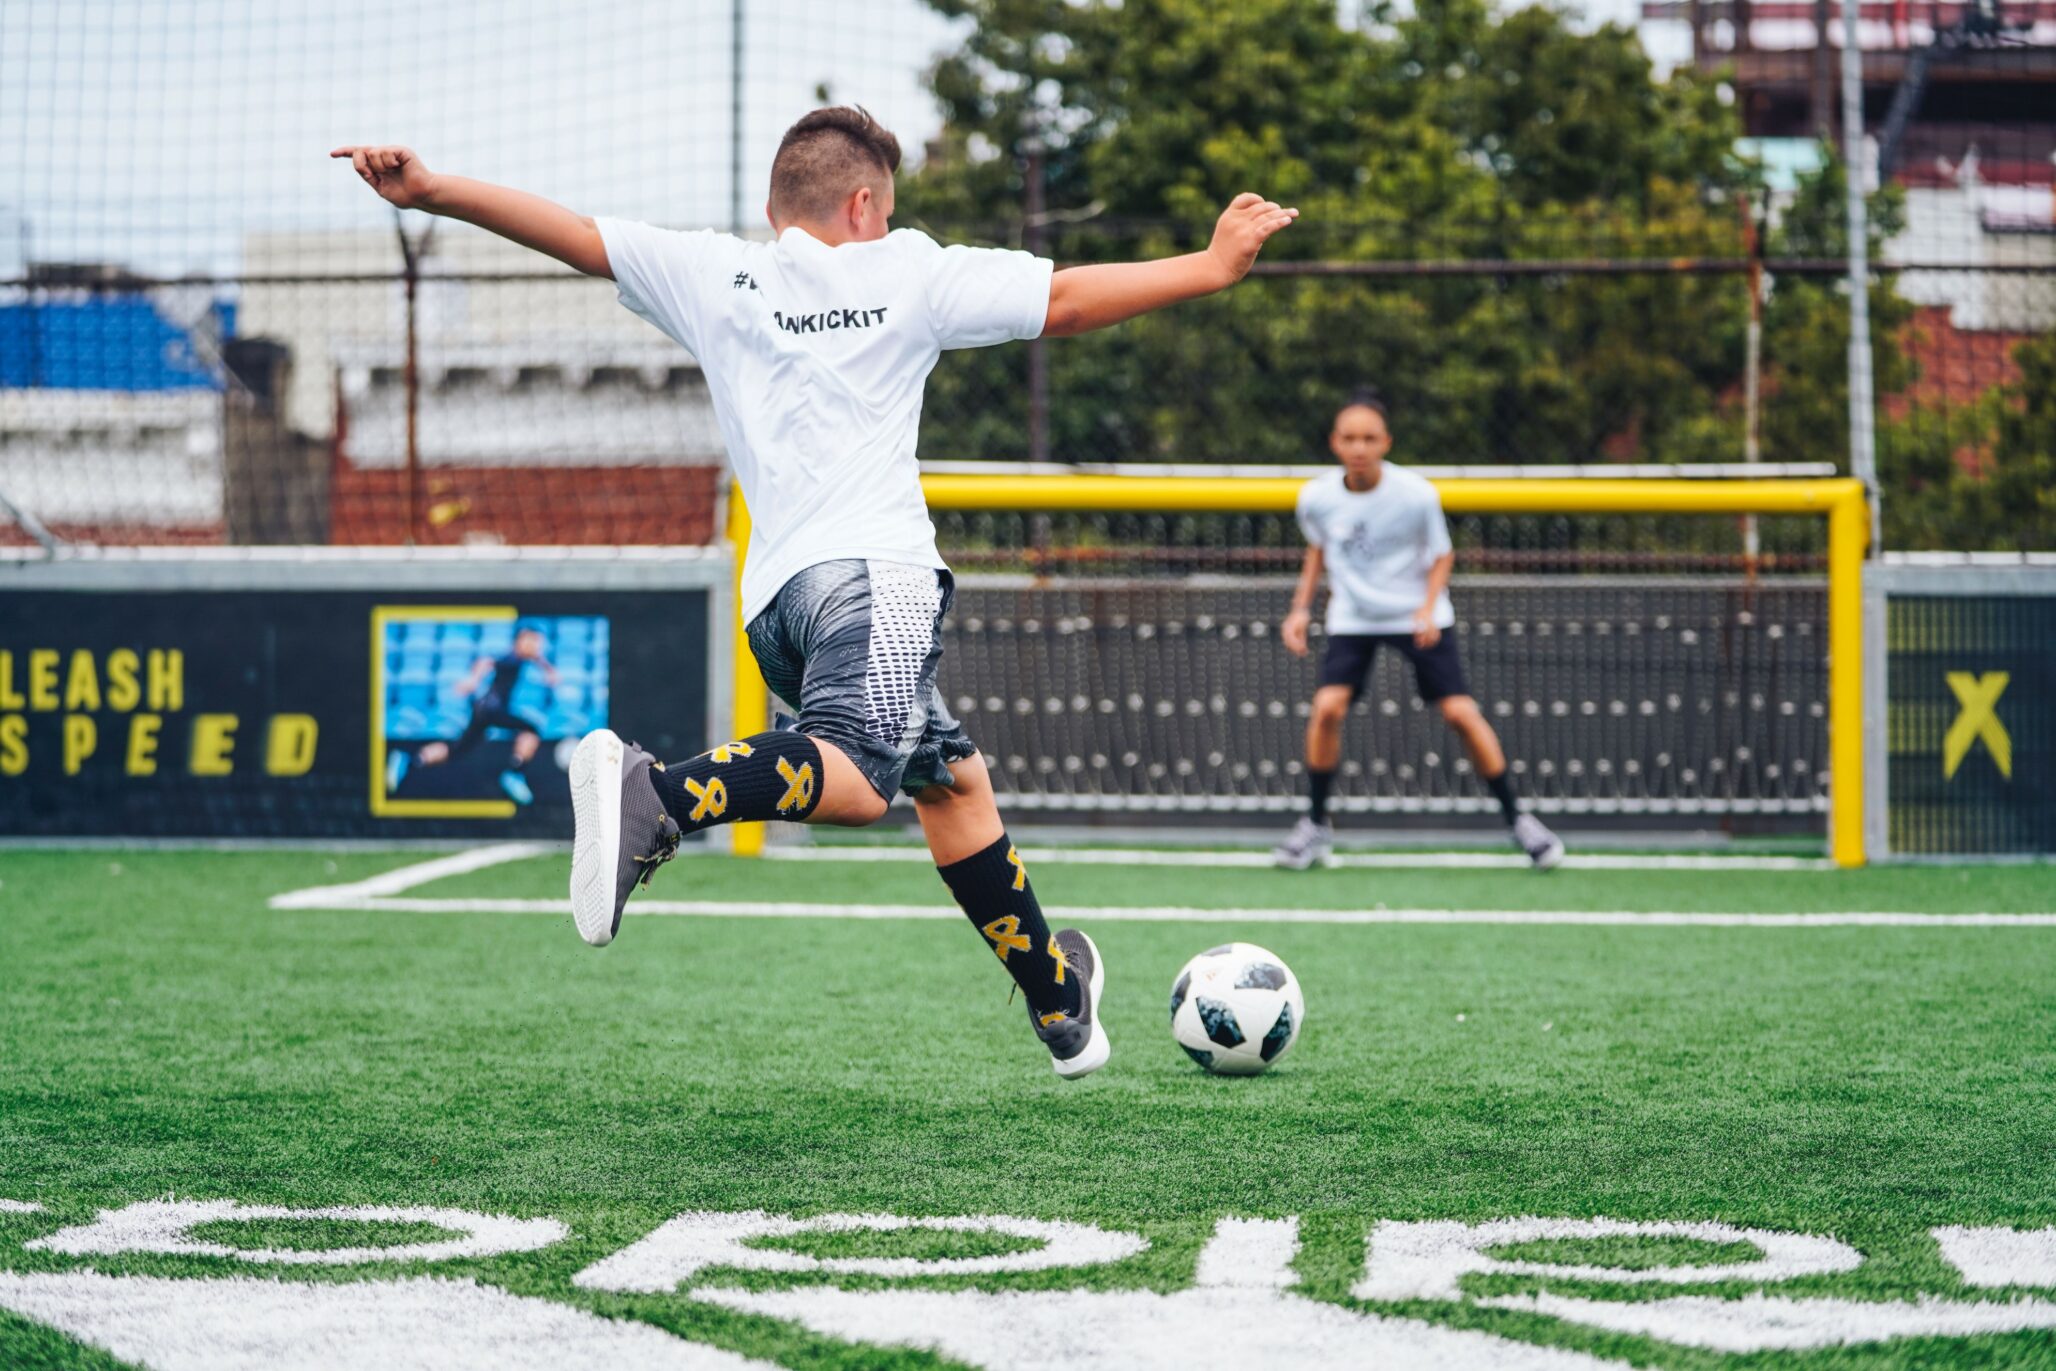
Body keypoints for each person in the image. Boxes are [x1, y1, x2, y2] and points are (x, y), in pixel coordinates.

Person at [333, 107, 1298, 1078]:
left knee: (950, 780)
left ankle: (1060, 1003)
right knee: (856, 782)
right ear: (863, 203)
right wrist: (1209, 265)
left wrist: (432, 192)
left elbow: (577, 237)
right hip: (876, 576)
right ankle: (656, 795)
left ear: (773, 207)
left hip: (778, 607)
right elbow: (1072, 299)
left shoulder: (715, 274)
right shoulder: (907, 266)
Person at [1272, 390, 1565, 872]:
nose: (1359, 447)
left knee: (1460, 713)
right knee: (1326, 708)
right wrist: (1299, 610)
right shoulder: (1316, 497)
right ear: (1334, 443)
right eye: (1349, 438)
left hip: (1416, 616)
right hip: (1355, 617)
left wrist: (1428, 609)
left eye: (1369, 437)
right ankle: (1315, 825)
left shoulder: (1416, 494)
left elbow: (1442, 553)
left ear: (1386, 441)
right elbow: (1317, 552)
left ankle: (1521, 822)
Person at [387, 623, 559, 805]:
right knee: (531, 729)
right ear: (522, 638)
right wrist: (473, 680)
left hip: (484, 710)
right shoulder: (512, 657)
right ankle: (514, 773)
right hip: (492, 710)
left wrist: (547, 669)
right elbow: (486, 662)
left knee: (457, 750)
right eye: (534, 642)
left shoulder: (520, 657)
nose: (537, 647)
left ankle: (411, 760)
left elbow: (534, 657)